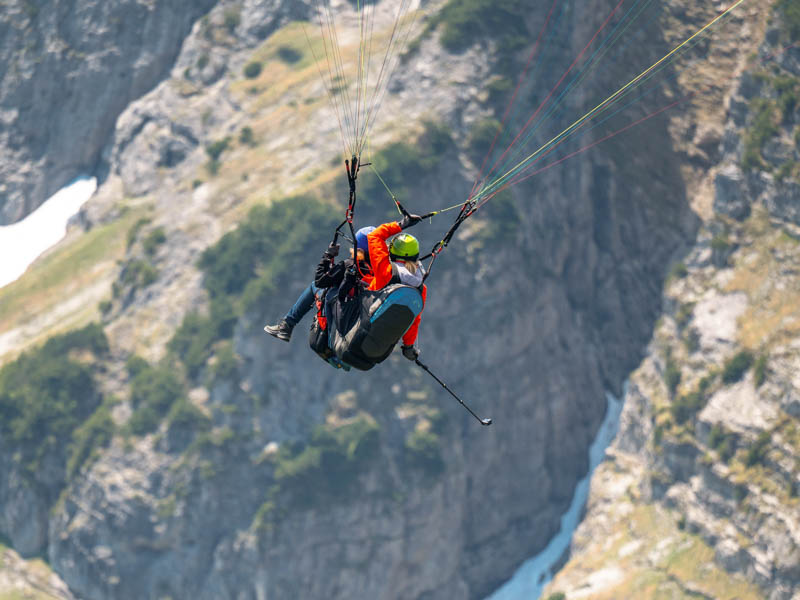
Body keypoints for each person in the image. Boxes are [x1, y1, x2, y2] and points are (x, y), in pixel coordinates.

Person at [263, 226, 375, 342]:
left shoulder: (349, 266)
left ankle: (286, 326)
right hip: (361, 317)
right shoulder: (380, 271)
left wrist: (328, 256)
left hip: (342, 314)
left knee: (314, 286)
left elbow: (320, 281)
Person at [365, 212, 426, 361]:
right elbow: (414, 320)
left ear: (392, 251)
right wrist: (408, 346)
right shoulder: (420, 288)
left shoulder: (386, 270)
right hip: (378, 347)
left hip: (362, 321)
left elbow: (374, 236)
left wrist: (401, 224)